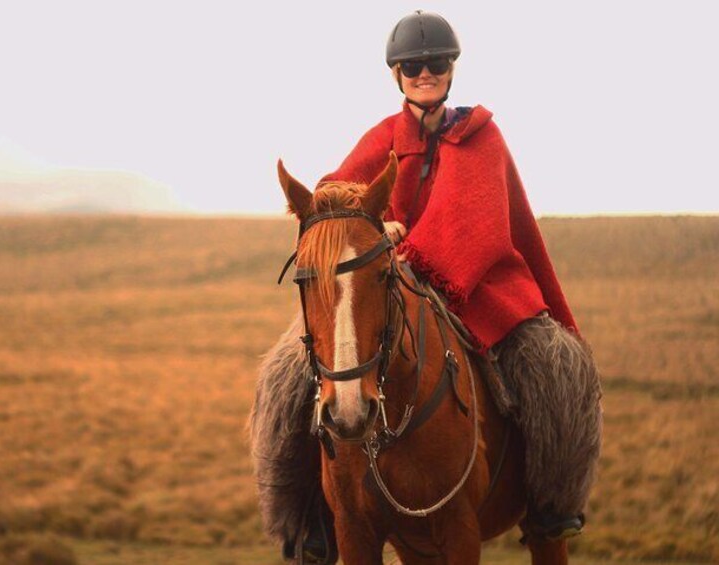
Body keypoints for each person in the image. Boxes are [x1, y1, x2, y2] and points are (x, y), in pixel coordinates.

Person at [249, 10, 602, 564]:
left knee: (553, 365)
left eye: (435, 62)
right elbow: (333, 196)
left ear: (451, 67)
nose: (424, 72)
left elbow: (480, 227)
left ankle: (551, 504)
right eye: (412, 65)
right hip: (379, 283)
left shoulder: (483, 137)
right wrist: (362, 231)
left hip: (480, 289)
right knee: (289, 376)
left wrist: (407, 249)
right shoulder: (383, 136)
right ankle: (307, 520)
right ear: (396, 74)